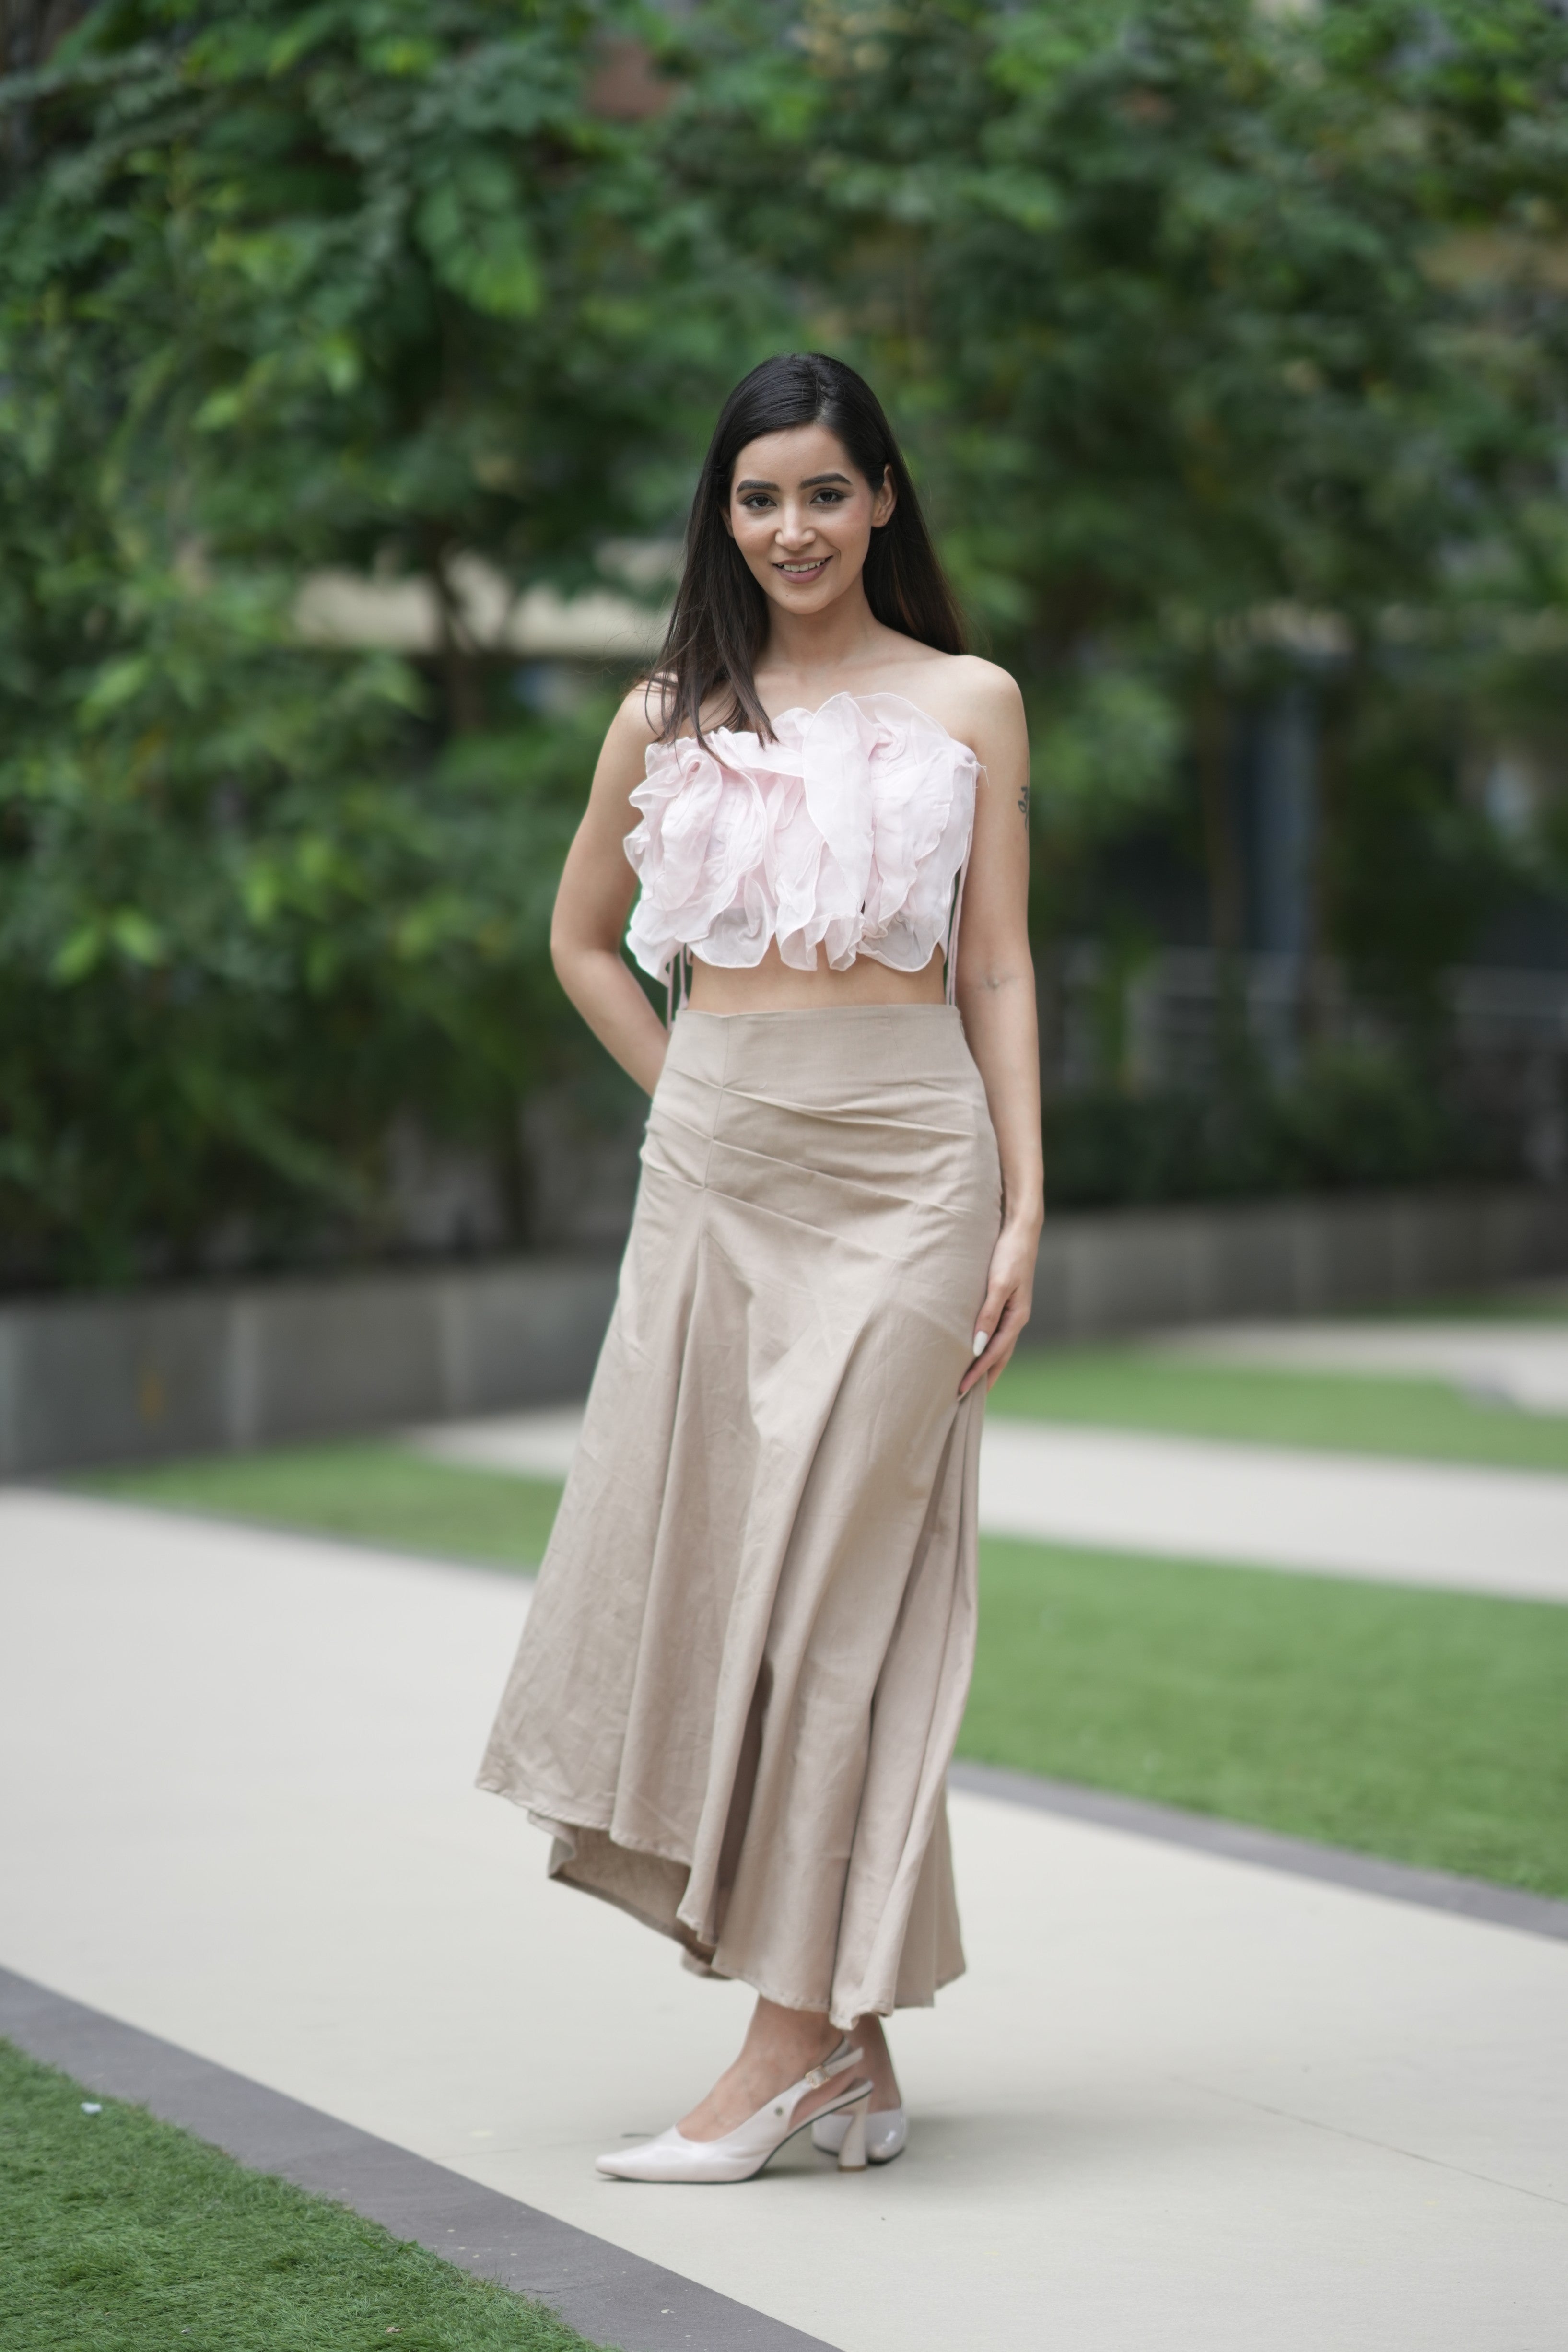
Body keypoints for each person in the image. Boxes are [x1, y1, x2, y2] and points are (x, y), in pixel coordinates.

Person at [478, 351, 1042, 2183]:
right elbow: (579, 945)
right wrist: (694, 1097)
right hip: (724, 1172)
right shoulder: (663, 716)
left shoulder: (971, 701)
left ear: (883, 498)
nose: (790, 527)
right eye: (756, 496)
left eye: (823, 490)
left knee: (835, 1605)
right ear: (722, 515)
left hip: (911, 1174)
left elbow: (1001, 973)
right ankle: (853, 2047)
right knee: (726, 1588)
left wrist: (1028, 1202)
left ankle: (779, 2056)